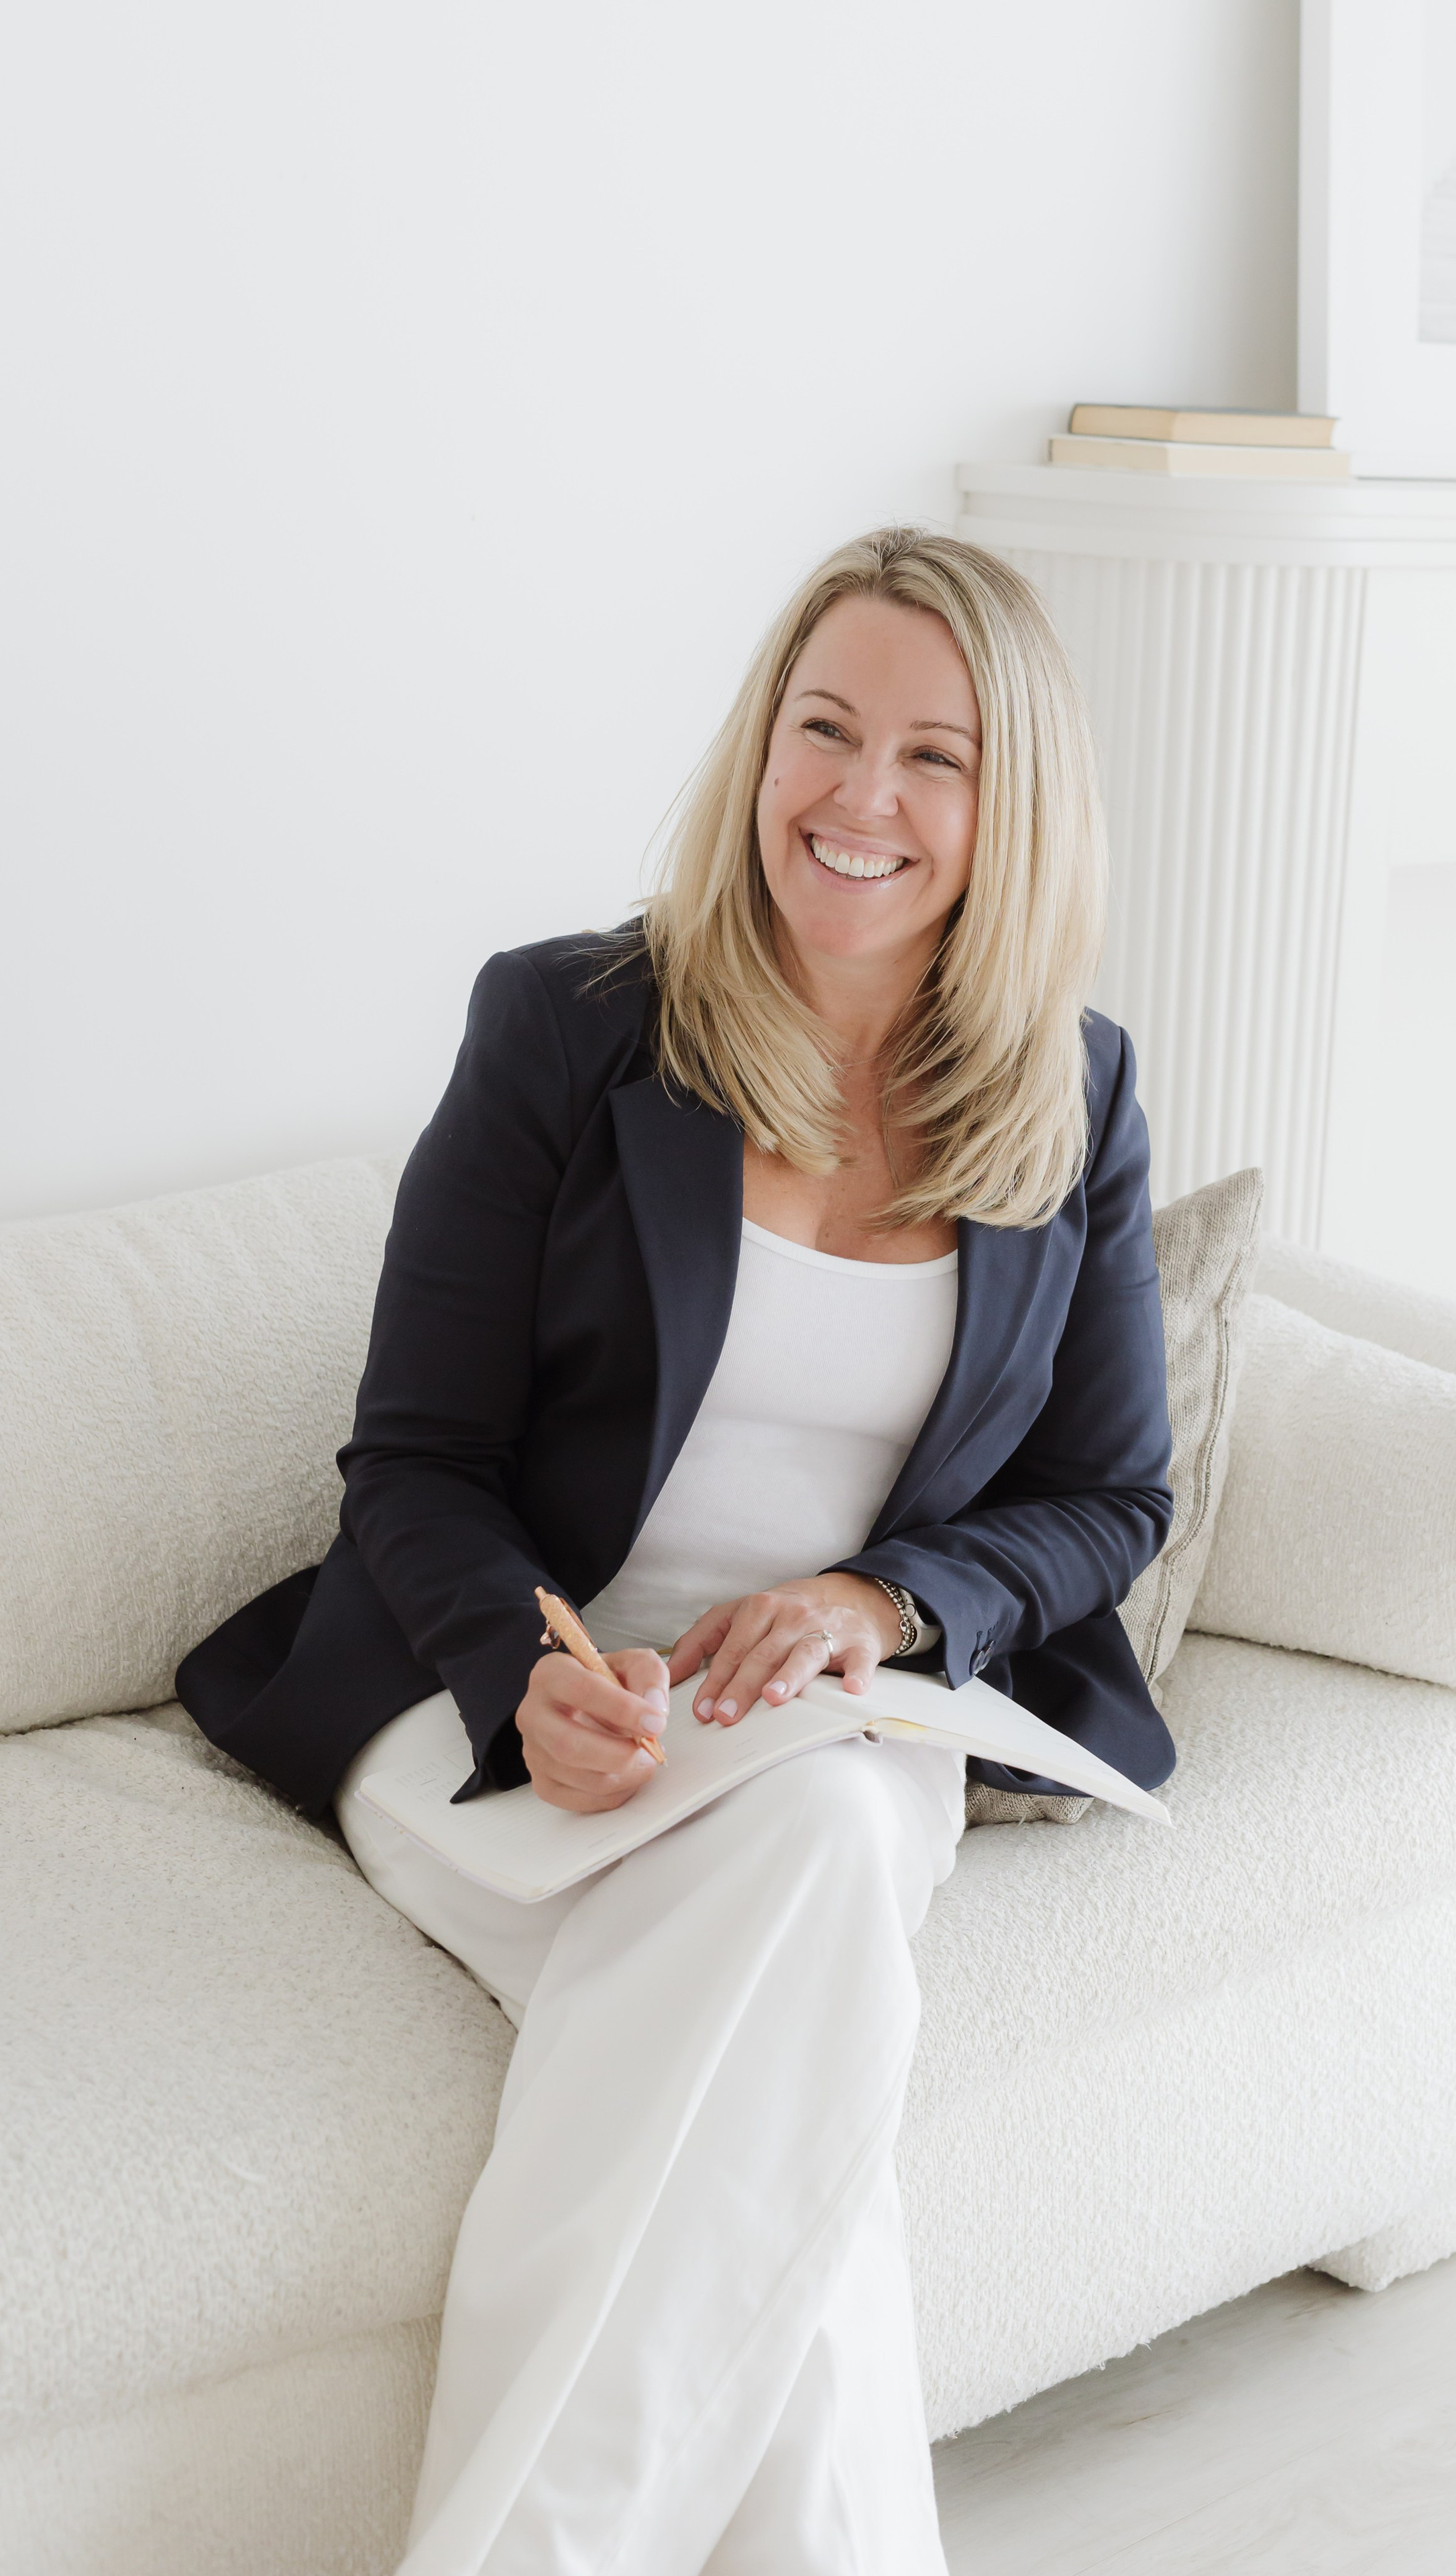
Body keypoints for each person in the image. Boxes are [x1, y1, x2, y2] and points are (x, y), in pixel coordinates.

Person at [178, 525, 1175, 2575]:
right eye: (824, 729)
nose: (862, 801)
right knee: (801, 2060)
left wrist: (884, 1603)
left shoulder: (1074, 1090)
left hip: (833, 1721)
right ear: (759, 747)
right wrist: (521, 1670)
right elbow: (419, 1455)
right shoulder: (569, 1025)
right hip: (502, 1708)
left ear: (1014, 809)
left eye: (935, 757)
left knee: (813, 1844)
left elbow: (1112, 1499)